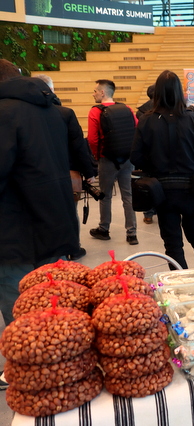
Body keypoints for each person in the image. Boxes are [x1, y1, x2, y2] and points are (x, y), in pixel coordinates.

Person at [0, 60, 79, 328]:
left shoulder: (4, 113)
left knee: (23, 325)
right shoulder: (53, 111)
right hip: (55, 224)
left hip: (14, 234)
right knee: (56, 316)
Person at [131, 70, 194, 269]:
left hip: (161, 190)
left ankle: (180, 282)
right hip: (192, 189)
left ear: (157, 93)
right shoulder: (193, 119)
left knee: (172, 245)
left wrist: (153, 163)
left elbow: (135, 157)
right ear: (179, 91)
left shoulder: (146, 120)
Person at [34, 74, 97, 261]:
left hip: (37, 173)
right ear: (51, 90)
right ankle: (73, 247)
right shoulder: (65, 113)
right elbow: (78, 146)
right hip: (66, 172)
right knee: (70, 210)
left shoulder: (26, 114)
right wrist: (89, 172)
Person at [88, 79, 139, 244]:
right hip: (127, 159)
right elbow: (136, 128)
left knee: (105, 195)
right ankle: (132, 233)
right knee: (128, 195)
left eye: (95, 91)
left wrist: (96, 157)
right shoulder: (127, 108)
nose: (93, 94)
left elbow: (93, 139)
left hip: (107, 159)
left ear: (102, 92)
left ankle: (104, 229)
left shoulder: (95, 112)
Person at [135, 84, 157, 224]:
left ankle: (148, 214)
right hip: (162, 153)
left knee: (148, 182)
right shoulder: (166, 109)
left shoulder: (140, 112)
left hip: (147, 153)